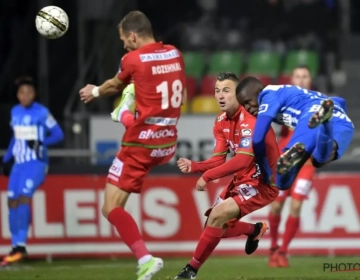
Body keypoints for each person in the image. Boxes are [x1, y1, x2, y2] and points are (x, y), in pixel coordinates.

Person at [79, 11, 186, 280]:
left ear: (133, 35)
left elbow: (115, 84)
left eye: (124, 39)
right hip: (167, 142)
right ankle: (124, 115)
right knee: (116, 202)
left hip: (139, 145)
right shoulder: (175, 53)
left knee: (110, 207)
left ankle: (146, 260)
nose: (124, 44)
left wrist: (93, 91)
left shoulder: (133, 58)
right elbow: (173, 91)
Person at [174, 72, 280, 279]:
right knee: (212, 226)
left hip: (264, 182)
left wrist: (207, 177)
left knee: (216, 217)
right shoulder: (221, 121)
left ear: (238, 94)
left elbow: (242, 160)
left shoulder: (250, 120)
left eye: (226, 91)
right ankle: (254, 229)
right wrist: (195, 166)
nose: (220, 96)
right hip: (243, 179)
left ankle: (190, 270)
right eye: (217, 91)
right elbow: (218, 159)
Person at [235, 76, 354, 191]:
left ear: (259, 91)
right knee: (320, 159)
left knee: (282, 183)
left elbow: (257, 139)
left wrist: (265, 172)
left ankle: (290, 157)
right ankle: (326, 123)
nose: (247, 108)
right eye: (243, 105)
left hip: (309, 116)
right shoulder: (290, 92)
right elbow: (341, 101)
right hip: (342, 121)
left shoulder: (268, 95)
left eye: (247, 102)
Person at [1, 77, 64, 266]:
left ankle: (20, 245)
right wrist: (5, 159)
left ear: (34, 94)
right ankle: (16, 246)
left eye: (28, 92)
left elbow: (59, 135)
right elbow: (15, 137)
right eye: (21, 92)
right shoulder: (15, 111)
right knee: (11, 201)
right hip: (19, 165)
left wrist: (41, 142)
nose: (25, 96)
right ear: (18, 95)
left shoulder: (42, 113)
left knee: (23, 197)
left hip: (36, 163)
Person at [267, 66, 316, 267]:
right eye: (298, 76)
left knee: (296, 205)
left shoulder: (318, 101)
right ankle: (273, 247)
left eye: (305, 76)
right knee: (277, 205)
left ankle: (284, 251)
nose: (301, 79)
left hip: (307, 163)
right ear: (292, 79)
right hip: (284, 160)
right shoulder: (285, 98)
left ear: (310, 80)